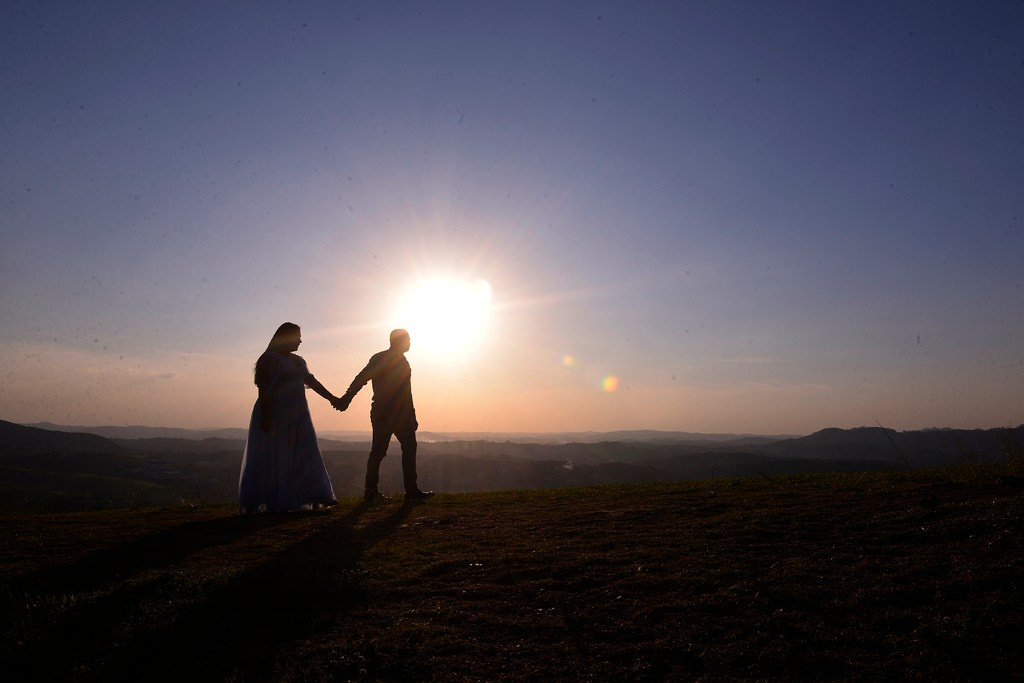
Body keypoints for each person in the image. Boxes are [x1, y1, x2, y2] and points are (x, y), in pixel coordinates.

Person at [238, 322, 339, 514]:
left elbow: (312, 382)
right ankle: (277, 500)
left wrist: (333, 398)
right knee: (276, 456)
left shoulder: (298, 361)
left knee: (305, 453)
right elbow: (264, 389)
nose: (300, 340)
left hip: (298, 415)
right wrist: (267, 417)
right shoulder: (269, 359)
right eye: (297, 336)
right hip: (276, 415)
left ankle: (316, 494)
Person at [334, 329, 434, 504]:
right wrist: (347, 397)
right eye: (408, 339)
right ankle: (384, 491)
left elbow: (406, 391)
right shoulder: (383, 359)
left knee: (394, 450)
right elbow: (362, 378)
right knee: (383, 451)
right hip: (386, 413)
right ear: (399, 341)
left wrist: (412, 413)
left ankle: (394, 491)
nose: (411, 342)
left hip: (395, 414)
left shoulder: (399, 361)